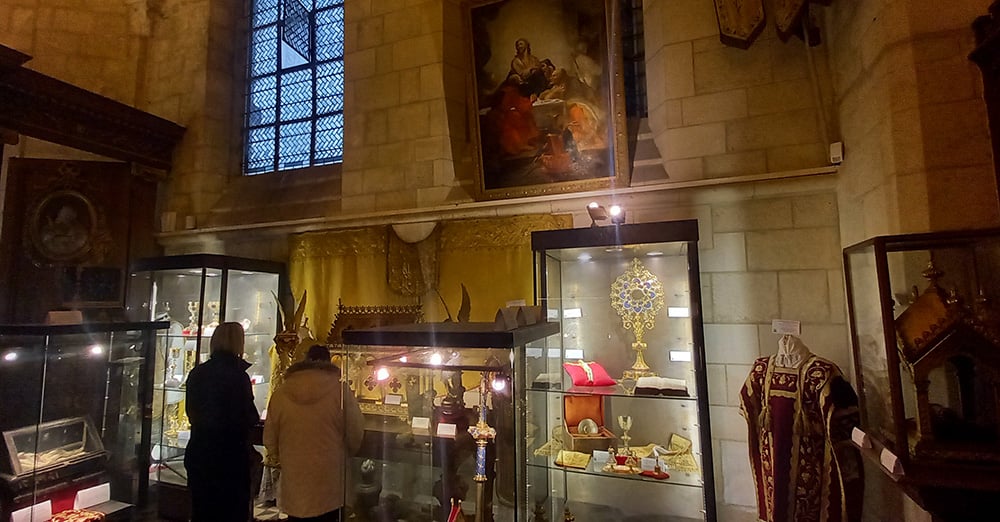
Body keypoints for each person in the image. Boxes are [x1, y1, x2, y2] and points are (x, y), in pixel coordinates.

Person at [264, 344, 364, 521]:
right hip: (329, 482)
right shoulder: (340, 392)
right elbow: (355, 431)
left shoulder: (281, 393)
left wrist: (282, 457)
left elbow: (269, 438)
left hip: (295, 481)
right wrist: (347, 453)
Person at [184, 322, 261, 522]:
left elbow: (191, 411)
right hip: (230, 457)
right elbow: (247, 416)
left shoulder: (197, 373)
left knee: (203, 510)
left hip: (200, 452)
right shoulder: (238, 377)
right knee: (231, 511)